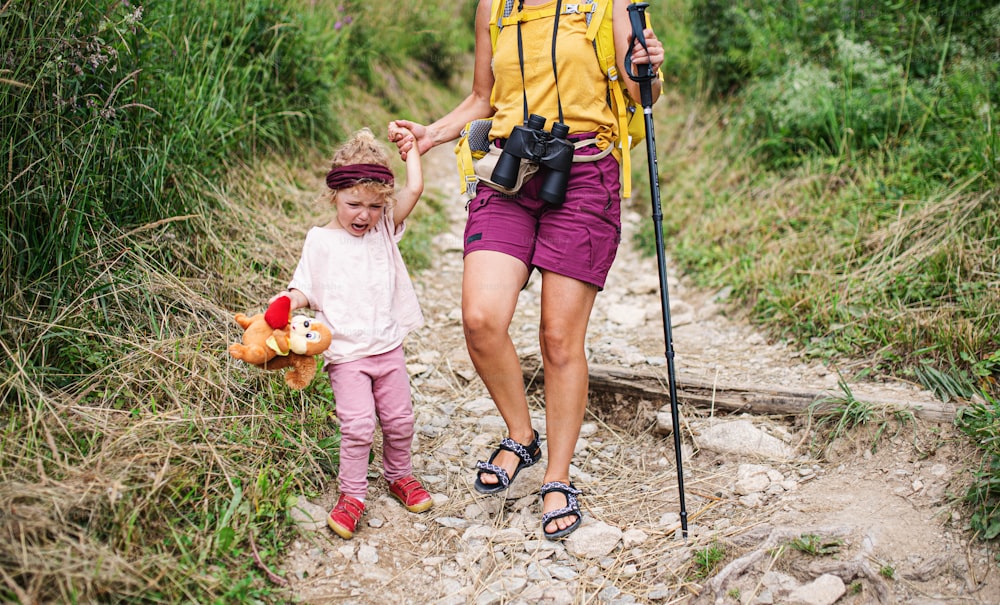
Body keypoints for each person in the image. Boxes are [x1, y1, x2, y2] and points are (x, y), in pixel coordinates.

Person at [390, 0, 664, 540]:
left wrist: (647, 65)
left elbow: (645, 95)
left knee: (559, 338)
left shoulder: (611, 6)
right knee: (480, 318)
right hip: (510, 172)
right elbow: (482, 99)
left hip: (586, 176)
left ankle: (557, 478)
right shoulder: (495, 6)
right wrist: (432, 133)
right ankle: (522, 434)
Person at [268, 125, 431, 540]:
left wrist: (411, 149)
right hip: (346, 355)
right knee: (357, 426)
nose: (364, 215)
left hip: (387, 347)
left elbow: (414, 188)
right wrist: (287, 302)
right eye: (354, 203)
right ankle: (353, 494)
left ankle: (399, 475)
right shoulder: (320, 241)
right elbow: (303, 286)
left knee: (399, 421)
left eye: (375, 206)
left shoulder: (384, 231)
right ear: (333, 196)